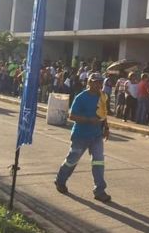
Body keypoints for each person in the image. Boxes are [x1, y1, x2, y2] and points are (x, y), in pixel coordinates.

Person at [54, 73, 111, 202]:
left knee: (98, 161)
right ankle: (60, 180)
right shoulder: (81, 97)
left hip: (96, 135)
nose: (98, 85)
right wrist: (88, 120)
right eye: (95, 82)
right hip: (81, 135)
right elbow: (72, 116)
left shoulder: (103, 96)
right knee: (72, 160)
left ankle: (100, 190)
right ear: (89, 83)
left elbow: (104, 114)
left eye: (100, 82)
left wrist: (106, 128)